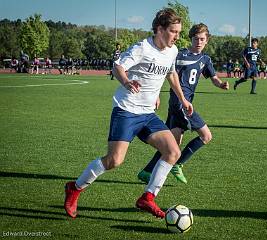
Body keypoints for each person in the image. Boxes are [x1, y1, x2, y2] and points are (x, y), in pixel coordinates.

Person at [64, 8, 193, 219]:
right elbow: (118, 67)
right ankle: (74, 188)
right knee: (114, 160)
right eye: (173, 31)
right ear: (160, 29)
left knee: (173, 151)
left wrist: (183, 99)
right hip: (127, 110)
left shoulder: (173, 51)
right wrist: (126, 81)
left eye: (178, 32)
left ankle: (148, 198)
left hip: (148, 114)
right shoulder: (142, 47)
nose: (177, 36)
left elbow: (170, 74)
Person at [137, 23, 229, 184]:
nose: (199, 42)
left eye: (202, 39)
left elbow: (213, 77)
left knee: (172, 142)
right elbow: (164, 74)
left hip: (183, 104)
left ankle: (147, 171)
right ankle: (177, 164)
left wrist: (221, 84)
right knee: (206, 135)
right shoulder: (180, 55)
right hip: (180, 104)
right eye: (196, 39)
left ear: (207, 40)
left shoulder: (205, 59)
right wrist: (157, 94)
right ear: (191, 39)